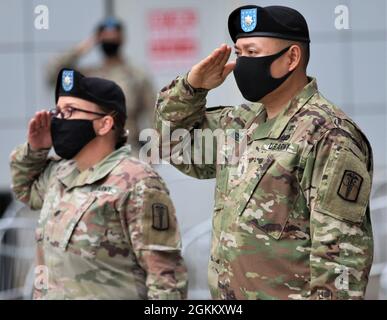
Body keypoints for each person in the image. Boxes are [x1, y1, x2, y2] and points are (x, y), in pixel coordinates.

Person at [155, 5, 373, 300]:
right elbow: (173, 143)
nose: (242, 64)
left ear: (291, 58)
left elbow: (341, 257)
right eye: (239, 53)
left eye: (253, 53)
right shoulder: (239, 122)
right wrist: (191, 88)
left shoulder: (328, 134)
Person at [10, 68, 187, 299]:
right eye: (58, 112)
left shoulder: (137, 182)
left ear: (104, 124)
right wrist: (36, 149)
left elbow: (166, 279)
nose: (58, 120)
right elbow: (25, 190)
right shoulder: (60, 173)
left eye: (70, 111)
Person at [46, 17, 155, 157]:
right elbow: (52, 74)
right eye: (105, 34)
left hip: (127, 151)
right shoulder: (88, 76)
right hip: (91, 152)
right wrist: (84, 47)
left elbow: (153, 112)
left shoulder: (137, 75)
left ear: (122, 38)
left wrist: (152, 152)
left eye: (114, 34)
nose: (110, 38)